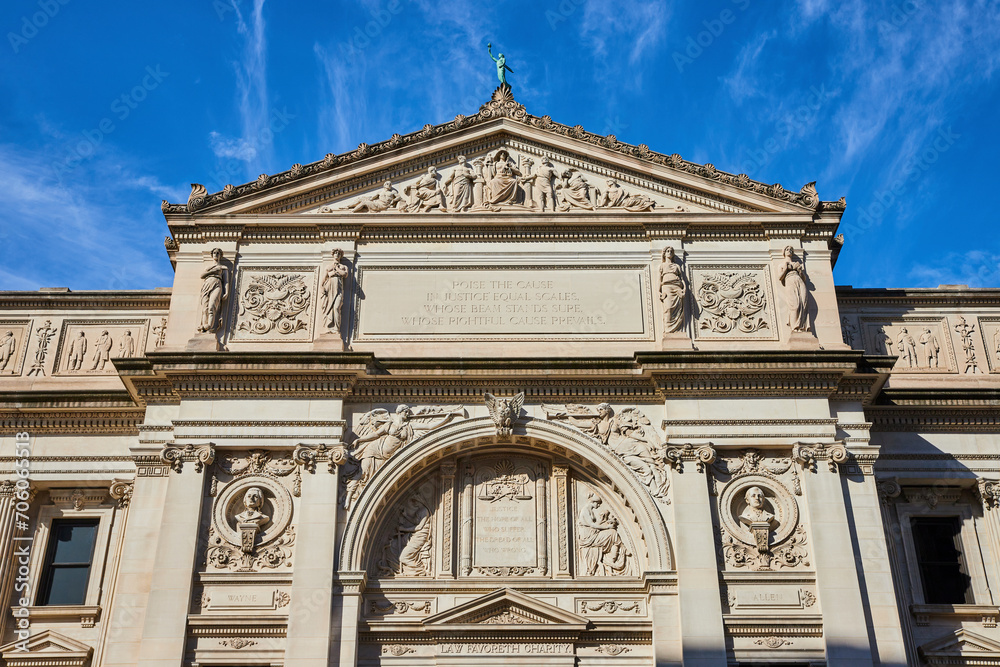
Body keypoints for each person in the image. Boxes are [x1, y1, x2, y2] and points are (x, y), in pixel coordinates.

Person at [577, 493, 632, 576]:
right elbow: (592, 525)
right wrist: (607, 527)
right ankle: (623, 548)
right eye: (598, 503)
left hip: (593, 534)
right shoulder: (585, 510)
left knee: (613, 532)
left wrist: (604, 522)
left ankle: (619, 551)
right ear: (593, 502)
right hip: (589, 538)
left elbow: (594, 525)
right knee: (613, 533)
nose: (599, 506)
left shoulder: (589, 510)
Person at [778, 246, 808, 332]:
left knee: (803, 303)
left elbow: (804, 278)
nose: (789, 251)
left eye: (791, 250)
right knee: (794, 305)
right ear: (784, 252)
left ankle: (802, 327)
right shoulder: (781, 265)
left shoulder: (797, 263)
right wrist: (785, 269)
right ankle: (795, 327)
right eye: (787, 249)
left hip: (799, 281)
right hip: (789, 281)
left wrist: (800, 271)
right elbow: (780, 277)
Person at [198, 248, 228, 333]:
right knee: (205, 308)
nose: (216, 254)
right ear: (212, 255)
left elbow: (226, 281)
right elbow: (202, 275)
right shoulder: (208, 267)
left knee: (212, 306)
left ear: (220, 255)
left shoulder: (223, 267)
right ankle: (203, 327)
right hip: (207, 285)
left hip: (217, 284)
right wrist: (213, 271)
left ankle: (210, 327)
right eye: (214, 253)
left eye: (218, 253)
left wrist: (226, 291)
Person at [321, 249, 349, 335]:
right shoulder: (328, 267)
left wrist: (336, 268)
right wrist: (322, 287)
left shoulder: (344, 267)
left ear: (341, 256)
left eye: (339, 253)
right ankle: (329, 327)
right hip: (330, 290)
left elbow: (345, 274)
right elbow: (324, 278)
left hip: (339, 290)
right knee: (330, 308)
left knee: (336, 308)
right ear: (333, 255)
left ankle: (336, 329)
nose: (337, 254)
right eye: (335, 253)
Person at [659, 247, 686, 334]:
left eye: (671, 251)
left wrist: (684, 289)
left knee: (678, 309)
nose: (669, 253)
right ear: (664, 253)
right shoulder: (662, 266)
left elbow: (682, 279)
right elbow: (659, 280)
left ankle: (676, 330)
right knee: (668, 308)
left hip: (677, 287)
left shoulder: (676, 266)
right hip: (666, 287)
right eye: (667, 251)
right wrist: (659, 292)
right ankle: (668, 329)